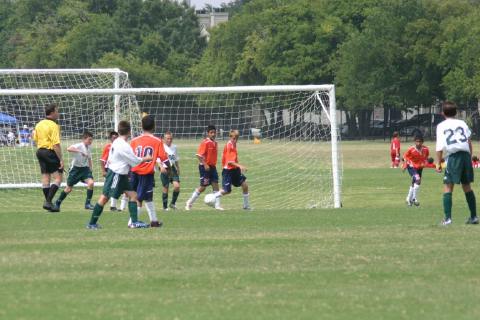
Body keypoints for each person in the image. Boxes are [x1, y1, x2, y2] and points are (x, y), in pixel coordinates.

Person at [86, 120, 152, 229]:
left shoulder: (117, 142)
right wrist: (147, 158)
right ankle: (92, 223)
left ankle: (134, 222)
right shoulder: (123, 145)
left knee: (133, 195)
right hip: (116, 174)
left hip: (121, 175)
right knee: (104, 198)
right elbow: (135, 161)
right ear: (129, 132)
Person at [436, 101, 478, 225]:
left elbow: (439, 147)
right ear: (456, 112)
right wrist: (469, 157)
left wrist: (438, 163)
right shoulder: (462, 123)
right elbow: (469, 141)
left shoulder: (441, 125)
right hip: (465, 156)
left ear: (442, 113)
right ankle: (474, 217)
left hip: (454, 157)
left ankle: (448, 219)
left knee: (448, 186)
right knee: (467, 186)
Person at [128, 115, 168, 227]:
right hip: (146, 173)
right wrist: (168, 168)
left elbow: (130, 156)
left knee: (148, 197)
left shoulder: (134, 140)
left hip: (134, 171)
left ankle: (154, 221)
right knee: (138, 198)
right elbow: (163, 157)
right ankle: (132, 222)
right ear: (154, 126)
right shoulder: (157, 141)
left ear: (141, 126)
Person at [33, 103, 63, 212]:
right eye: (57, 111)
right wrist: (60, 159)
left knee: (46, 177)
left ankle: (49, 205)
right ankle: (48, 201)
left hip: (40, 151)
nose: (58, 113)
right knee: (58, 178)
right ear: (52, 112)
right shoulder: (53, 125)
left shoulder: (39, 124)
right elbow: (56, 144)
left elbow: (35, 138)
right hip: (49, 151)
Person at [54, 131, 95, 211]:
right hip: (75, 170)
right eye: (89, 139)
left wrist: (90, 169)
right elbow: (68, 148)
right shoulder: (79, 145)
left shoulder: (89, 147)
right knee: (68, 189)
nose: (91, 141)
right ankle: (57, 203)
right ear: (84, 139)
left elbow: (89, 158)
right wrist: (80, 151)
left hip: (84, 169)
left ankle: (88, 204)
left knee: (91, 183)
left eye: (91, 140)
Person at [185, 125, 222, 210]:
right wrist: (205, 164)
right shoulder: (205, 143)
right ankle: (189, 202)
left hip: (212, 167)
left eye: (214, 132)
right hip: (204, 167)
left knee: (215, 185)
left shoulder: (215, 143)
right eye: (211, 132)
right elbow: (198, 155)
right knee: (203, 187)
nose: (213, 134)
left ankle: (217, 205)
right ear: (208, 133)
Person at [211, 129, 251, 210]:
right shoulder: (229, 145)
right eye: (234, 138)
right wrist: (240, 166)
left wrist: (238, 167)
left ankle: (246, 206)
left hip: (235, 170)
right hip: (228, 171)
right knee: (227, 190)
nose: (235, 139)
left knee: (245, 185)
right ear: (230, 137)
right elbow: (229, 162)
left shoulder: (233, 144)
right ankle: (211, 197)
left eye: (237, 138)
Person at [99, 130, 124, 211]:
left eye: (117, 137)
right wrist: (103, 171)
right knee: (110, 188)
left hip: (118, 169)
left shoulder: (121, 146)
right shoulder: (108, 147)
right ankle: (107, 206)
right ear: (110, 139)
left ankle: (117, 206)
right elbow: (102, 160)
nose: (115, 139)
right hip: (110, 170)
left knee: (118, 188)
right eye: (113, 137)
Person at [403, 135, 429, 207]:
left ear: (422, 142)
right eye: (417, 141)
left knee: (415, 182)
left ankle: (408, 199)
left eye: (420, 142)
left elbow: (426, 157)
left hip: (419, 167)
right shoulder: (411, 149)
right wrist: (405, 164)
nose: (418, 143)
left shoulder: (426, 149)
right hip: (411, 166)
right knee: (417, 179)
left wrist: (426, 161)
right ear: (415, 142)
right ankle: (414, 199)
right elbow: (404, 156)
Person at [161, 131, 181, 211]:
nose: (169, 140)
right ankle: (165, 207)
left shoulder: (174, 147)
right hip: (165, 168)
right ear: (164, 139)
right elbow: (158, 159)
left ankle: (172, 203)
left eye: (171, 138)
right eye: (167, 139)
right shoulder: (161, 147)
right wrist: (161, 167)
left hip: (172, 168)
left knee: (177, 186)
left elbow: (175, 158)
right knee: (166, 187)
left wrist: (178, 167)